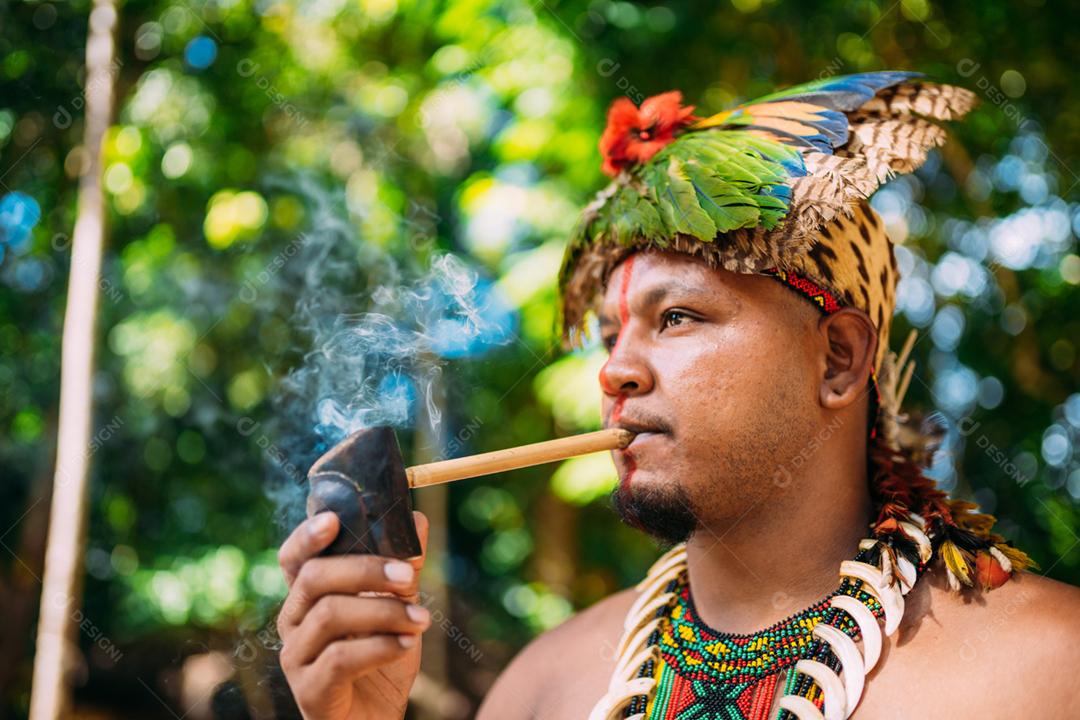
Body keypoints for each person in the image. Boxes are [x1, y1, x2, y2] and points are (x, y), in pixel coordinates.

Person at [276, 72, 1080, 719]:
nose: (614, 372)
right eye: (607, 336)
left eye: (678, 317)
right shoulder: (541, 690)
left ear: (837, 359)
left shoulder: (1047, 672)